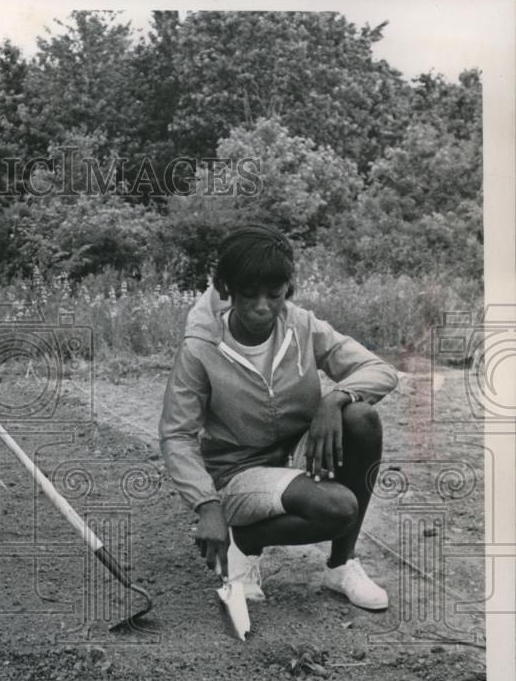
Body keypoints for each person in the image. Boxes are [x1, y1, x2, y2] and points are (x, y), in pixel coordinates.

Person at [159, 224, 398, 611]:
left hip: (300, 455)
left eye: (275, 294)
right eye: (248, 295)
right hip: (239, 473)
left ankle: (341, 566)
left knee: (361, 417)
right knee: (338, 507)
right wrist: (207, 506)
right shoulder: (201, 348)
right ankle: (247, 542)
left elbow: (379, 369)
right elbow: (177, 435)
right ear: (225, 290)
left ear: (289, 289)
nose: (262, 307)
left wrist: (333, 400)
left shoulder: (301, 325)